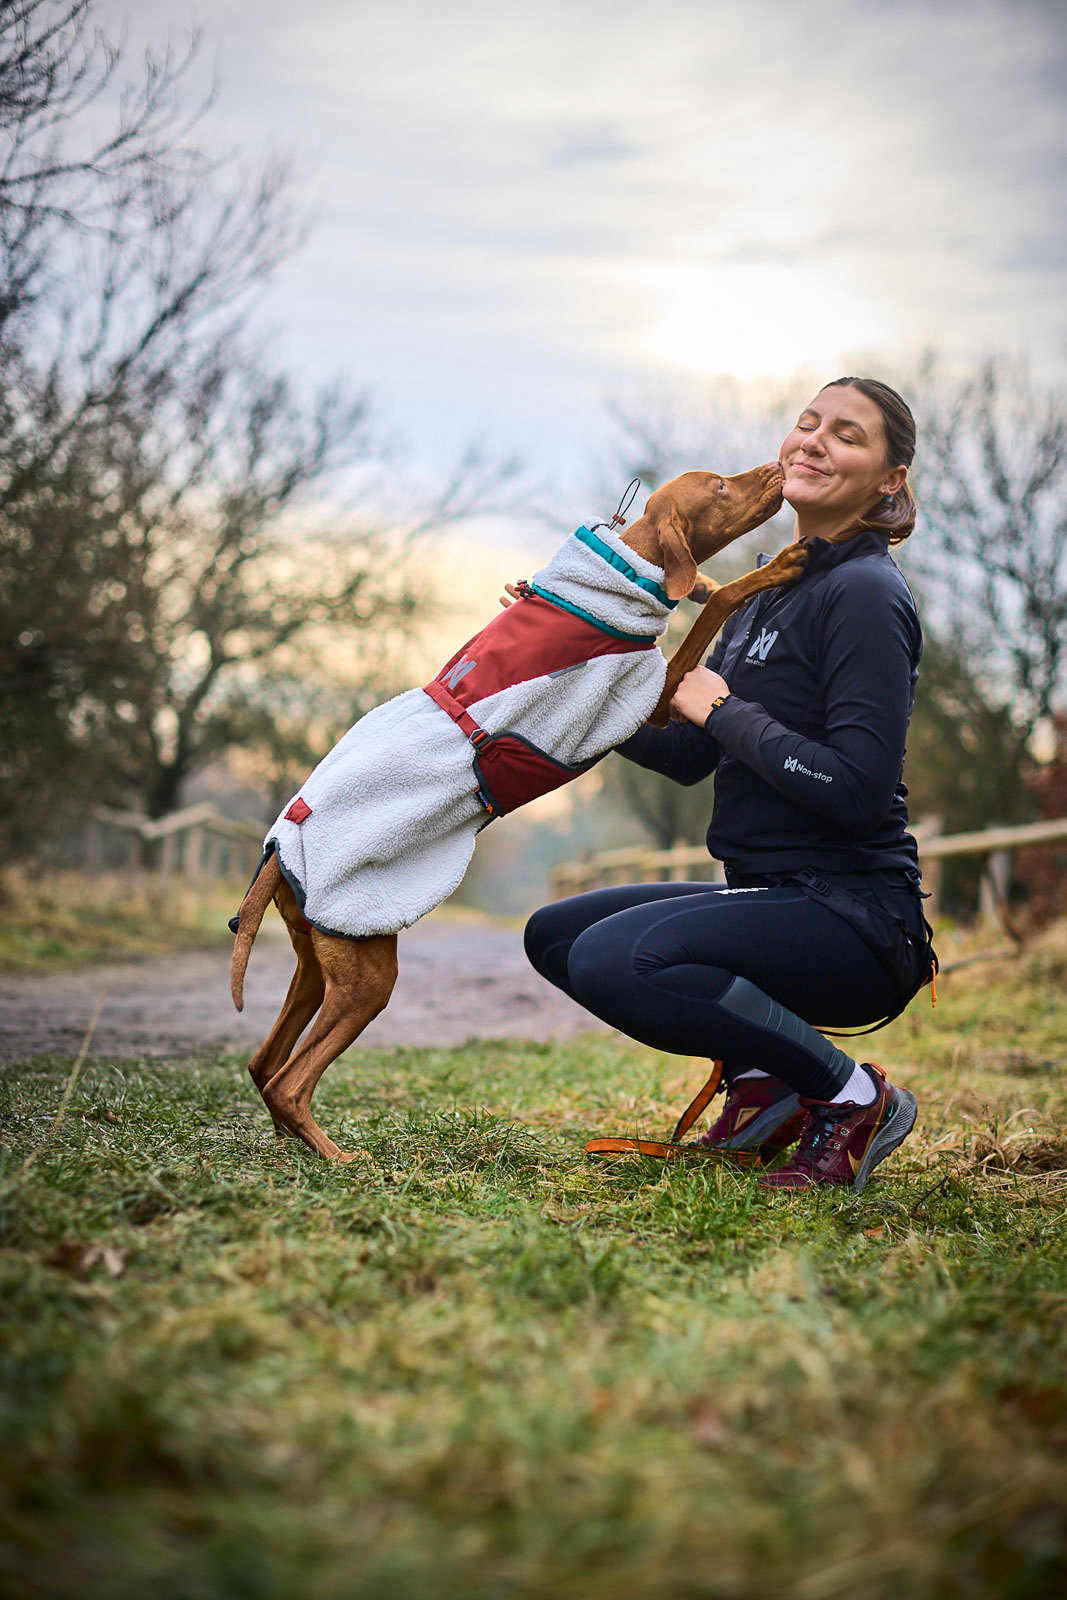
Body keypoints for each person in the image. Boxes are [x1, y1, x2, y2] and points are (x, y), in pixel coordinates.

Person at [524, 377, 937, 1191]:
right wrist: (578, 674)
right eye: (806, 423)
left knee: (620, 960)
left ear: (890, 479)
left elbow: (857, 789)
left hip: (853, 917)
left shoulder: (863, 594)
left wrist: (723, 713)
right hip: (769, 897)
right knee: (557, 936)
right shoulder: (769, 590)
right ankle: (764, 1087)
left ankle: (854, 1098)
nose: (813, 441)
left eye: (847, 436)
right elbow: (687, 755)